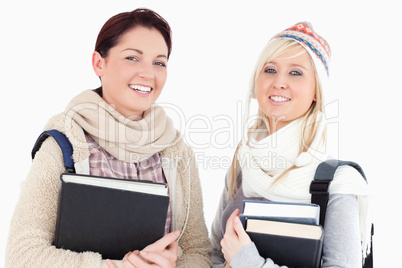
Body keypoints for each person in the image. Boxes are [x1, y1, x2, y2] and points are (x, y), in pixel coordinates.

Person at [5, 8, 211, 268]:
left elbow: (198, 252)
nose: (148, 73)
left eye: (159, 62)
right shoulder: (64, 143)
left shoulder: (176, 151)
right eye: (133, 58)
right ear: (98, 63)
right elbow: (22, 255)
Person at [210, 22, 372, 268]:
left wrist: (247, 262)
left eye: (295, 73)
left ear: (317, 90)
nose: (279, 82)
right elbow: (214, 252)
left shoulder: (337, 183)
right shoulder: (244, 163)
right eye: (270, 70)